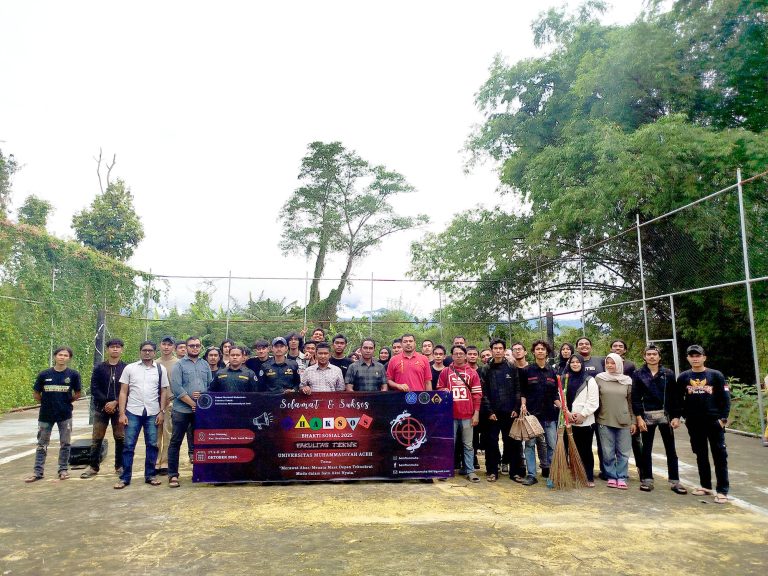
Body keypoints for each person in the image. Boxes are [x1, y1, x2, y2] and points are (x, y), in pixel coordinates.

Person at [675, 344, 730, 503]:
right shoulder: (683, 377)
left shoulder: (716, 375)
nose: (695, 358)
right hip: (694, 422)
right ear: (688, 358)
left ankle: (722, 490)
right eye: (692, 356)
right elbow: (678, 399)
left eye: (698, 355)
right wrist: (681, 416)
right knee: (701, 454)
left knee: (719, 455)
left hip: (714, 421)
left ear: (704, 357)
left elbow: (725, 399)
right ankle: (705, 486)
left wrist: (723, 419)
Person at [113, 341, 169, 489]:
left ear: (154, 353)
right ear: (140, 352)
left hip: (153, 412)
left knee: (152, 445)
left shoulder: (160, 369)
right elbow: (123, 392)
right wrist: (122, 413)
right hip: (133, 411)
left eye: (150, 350)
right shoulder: (130, 368)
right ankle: (125, 478)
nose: (147, 352)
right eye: (144, 350)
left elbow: (164, 391)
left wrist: (162, 411)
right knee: (128, 446)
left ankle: (150, 475)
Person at [632, 345, 687, 494]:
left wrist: (676, 416)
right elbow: (635, 397)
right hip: (646, 416)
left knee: (670, 449)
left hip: (666, 415)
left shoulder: (668, 373)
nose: (652, 356)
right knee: (646, 448)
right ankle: (647, 479)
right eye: (648, 354)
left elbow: (674, 396)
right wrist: (639, 418)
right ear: (644, 357)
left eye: (654, 354)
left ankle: (675, 481)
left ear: (659, 357)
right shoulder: (638, 374)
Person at [25, 346, 82, 483]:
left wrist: (65, 402)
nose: (62, 357)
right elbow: (36, 394)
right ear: (55, 356)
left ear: (69, 358)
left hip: (65, 415)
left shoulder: (73, 375)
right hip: (46, 415)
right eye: (60, 355)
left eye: (66, 355)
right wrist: (47, 402)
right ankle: (38, 472)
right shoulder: (44, 374)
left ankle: (63, 470)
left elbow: (77, 393)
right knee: (42, 444)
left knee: (65, 443)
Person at [168, 336, 212, 488]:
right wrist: (193, 403)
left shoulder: (205, 364)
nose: (194, 348)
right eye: (191, 345)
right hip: (181, 410)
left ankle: (201, 473)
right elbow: (176, 388)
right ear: (186, 347)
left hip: (201, 411)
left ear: (201, 347)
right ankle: (173, 475)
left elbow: (209, 385)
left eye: (197, 345)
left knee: (201, 442)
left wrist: (202, 397)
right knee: (176, 442)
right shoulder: (179, 365)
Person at [80, 338, 126, 479]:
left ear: (122, 350)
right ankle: (93, 467)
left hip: (119, 408)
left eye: (118, 347)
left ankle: (119, 466)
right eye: (112, 347)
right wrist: (107, 403)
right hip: (101, 408)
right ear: (107, 349)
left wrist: (116, 402)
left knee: (120, 438)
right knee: (97, 437)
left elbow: (127, 388)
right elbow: (94, 388)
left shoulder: (126, 368)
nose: (115, 349)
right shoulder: (99, 368)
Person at [478, 338, 523, 482]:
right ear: (491, 350)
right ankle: (492, 471)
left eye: (500, 348)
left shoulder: (511, 367)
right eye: (495, 348)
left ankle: (515, 472)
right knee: (491, 442)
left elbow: (517, 389)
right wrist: (489, 411)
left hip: (510, 412)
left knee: (512, 442)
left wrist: (516, 408)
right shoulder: (485, 369)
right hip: (492, 414)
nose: (498, 351)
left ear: (504, 350)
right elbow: (483, 392)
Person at [437, 345, 482, 483]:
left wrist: (476, 413)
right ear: (452, 356)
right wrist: (443, 390)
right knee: (449, 444)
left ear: (465, 355)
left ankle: (470, 471)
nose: (458, 356)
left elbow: (477, 395)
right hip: (450, 414)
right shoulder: (445, 371)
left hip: (467, 414)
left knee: (468, 444)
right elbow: (439, 389)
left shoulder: (472, 373)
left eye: (461, 353)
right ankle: (445, 470)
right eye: (456, 354)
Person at [520, 340, 559, 485]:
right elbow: (523, 392)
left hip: (549, 415)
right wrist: (523, 405)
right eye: (537, 349)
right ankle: (531, 475)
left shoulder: (553, 372)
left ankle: (552, 475)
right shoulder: (527, 370)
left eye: (543, 349)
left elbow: (555, 394)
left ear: (547, 352)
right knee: (530, 445)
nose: (540, 351)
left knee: (552, 445)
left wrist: (563, 407)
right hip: (532, 416)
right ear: (533, 352)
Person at [595, 353, 635, 489]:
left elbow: (630, 402)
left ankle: (622, 476)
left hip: (624, 421)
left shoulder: (627, 380)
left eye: (613, 363)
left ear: (619, 364)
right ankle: (611, 476)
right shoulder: (600, 378)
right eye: (608, 363)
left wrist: (633, 421)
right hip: (604, 420)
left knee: (623, 452)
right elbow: (595, 399)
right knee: (607, 452)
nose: (610, 365)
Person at [562, 353, 599, 486]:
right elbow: (561, 398)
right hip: (568, 421)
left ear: (582, 364)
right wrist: (567, 413)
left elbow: (593, 401)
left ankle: (588, 476)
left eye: (578, 362)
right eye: (572, 362)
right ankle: (574, 474)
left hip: (585, 422)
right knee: (571, 449)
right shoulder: (564, 378)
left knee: (585, 450)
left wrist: (583, 414)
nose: (575, 364)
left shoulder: (589, 380)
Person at [155, 335, 178, 475]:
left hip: (172, 403)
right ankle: (156, 461)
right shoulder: (154, 363)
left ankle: (166, 461)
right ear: (160, 346)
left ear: (173, 347)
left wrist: (173, 399)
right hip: (155, 403)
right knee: (155, 434)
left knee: (168, 433)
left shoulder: (178, 363)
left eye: (169, 345)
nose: (166, 347)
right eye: (164, 344)